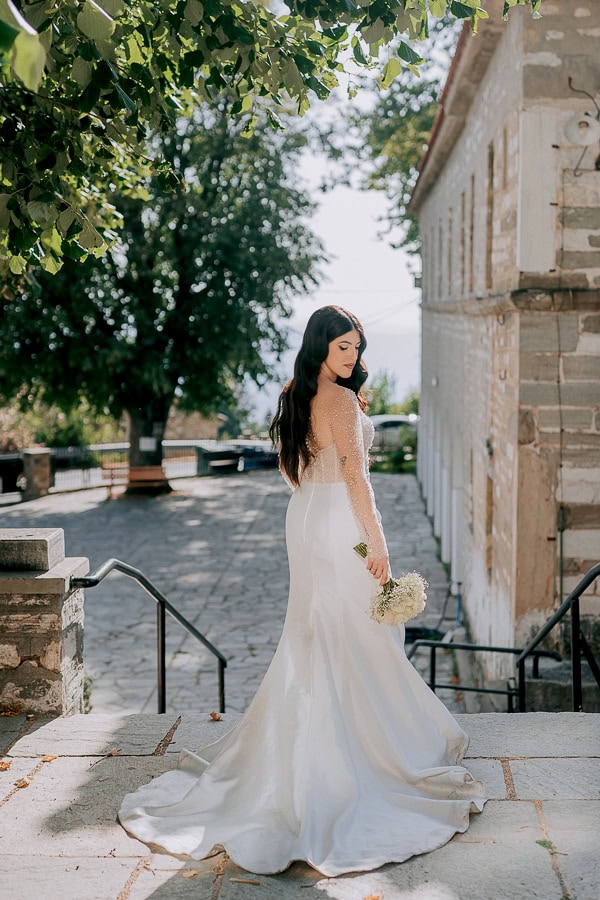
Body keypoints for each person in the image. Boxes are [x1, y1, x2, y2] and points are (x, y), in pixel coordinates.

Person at [118, 305, 485, 876]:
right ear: (320, 347)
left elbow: (294, 470)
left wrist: (321, 501)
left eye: (357, 347)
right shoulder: (338, 400)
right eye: (344, 348)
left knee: (318, 630)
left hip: (307, 515)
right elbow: (358, 479)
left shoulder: (298, 393)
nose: (354, 357)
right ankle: (359, 756)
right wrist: (377, 543)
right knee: (355, 627)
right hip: (340, 521)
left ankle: (317, 743)